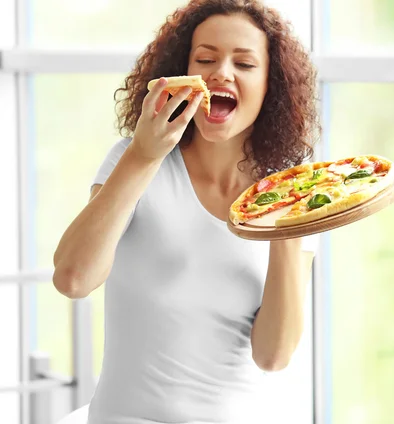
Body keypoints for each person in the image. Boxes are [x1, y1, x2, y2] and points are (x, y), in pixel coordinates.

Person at [52, 0, 320, 422]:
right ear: (182, 71)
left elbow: (273, 355)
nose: (221, 72)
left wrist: (287, 224)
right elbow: (73, 279)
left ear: (273, 85)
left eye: (245, 64)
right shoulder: (136, 158)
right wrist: (143, 156)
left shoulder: (290, 195)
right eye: (206, 58)